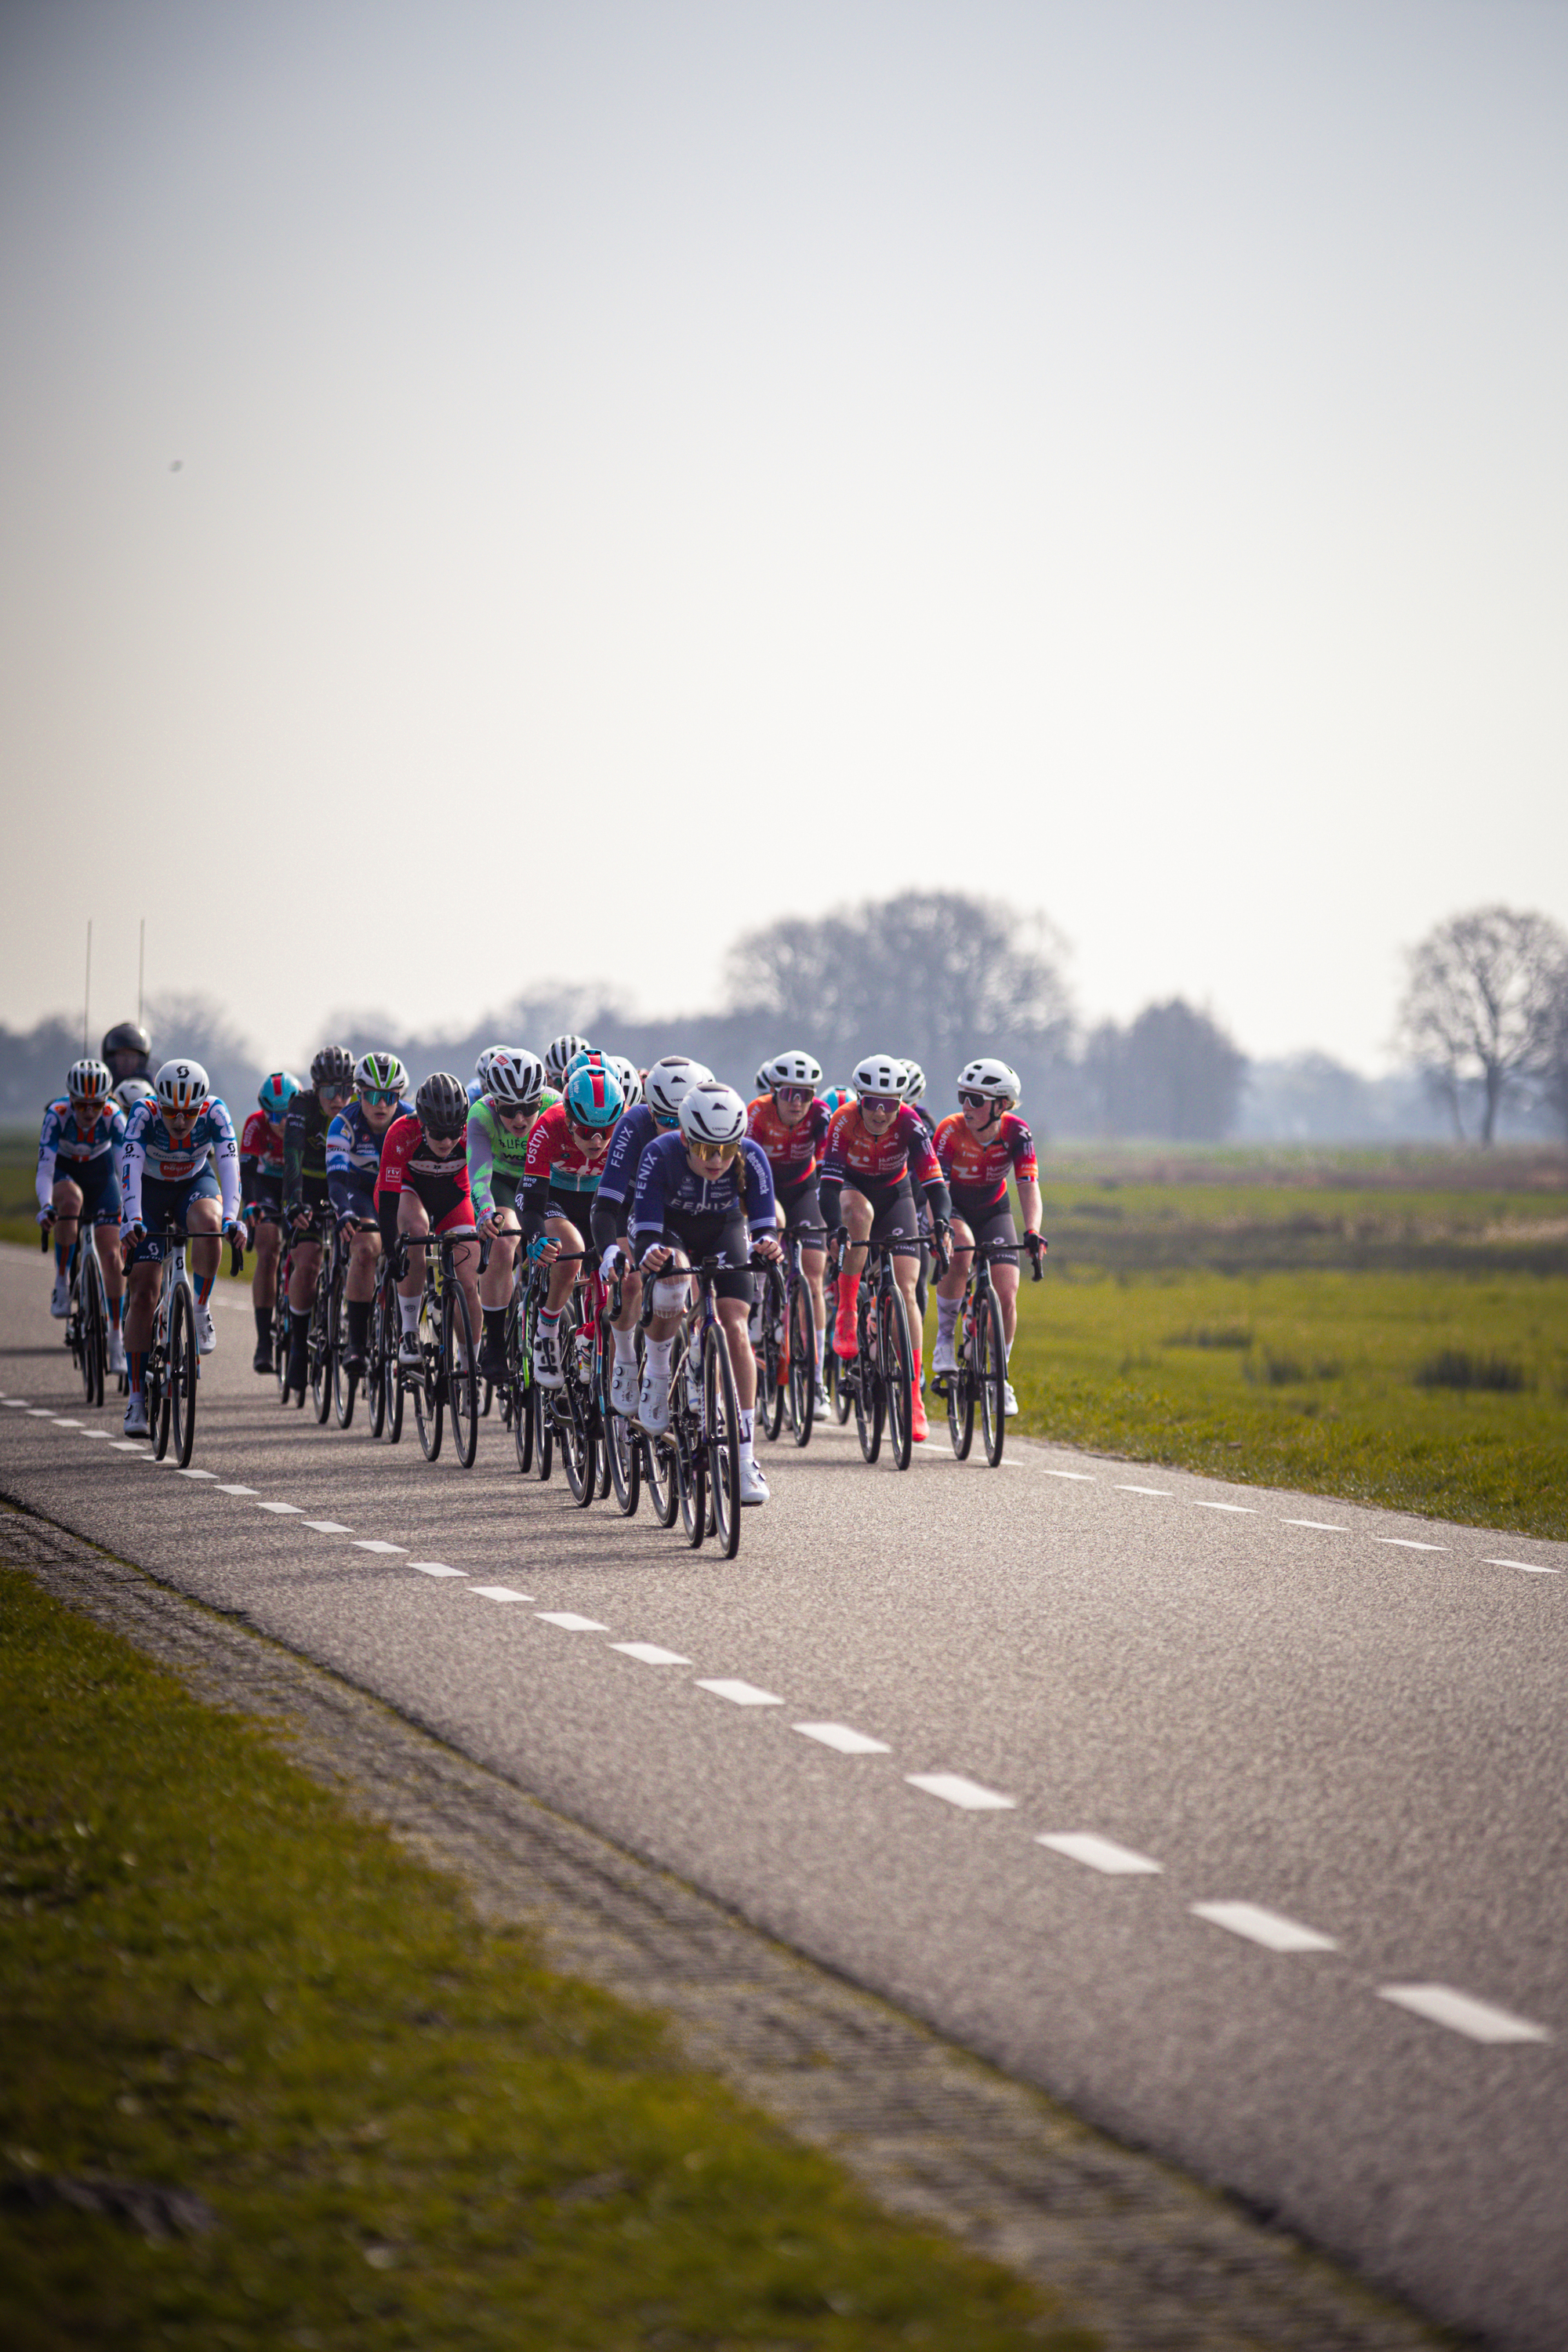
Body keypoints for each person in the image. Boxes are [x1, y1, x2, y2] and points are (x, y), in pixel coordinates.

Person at [629, 1082, 782, 1505]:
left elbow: (765, 1221)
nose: (716, 1161)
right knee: (675, 1276)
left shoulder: (750, 1156)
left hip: (723, 1228)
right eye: (704, 1150)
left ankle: (746, 1457)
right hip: (671, 1229)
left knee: (735, 1327)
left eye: (725, 1149)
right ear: (685, 1137)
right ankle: (658, 1376)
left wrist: (766, 1242)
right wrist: (651, 1254)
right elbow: (644, 1227)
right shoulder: (659, 1154)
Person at [818, 1053, 951, 1444]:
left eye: (889, 1103)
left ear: (900, 1102)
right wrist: (833, 1230)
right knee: (858, 1216)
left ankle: (912, 1396)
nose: (880, 1111)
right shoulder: (843, 1121)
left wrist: (940, 1222)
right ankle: (846, 1309)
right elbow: (827, 1187)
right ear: (860, 1099)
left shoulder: (910, 1123)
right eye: (872, 1102)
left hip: (897, 1195)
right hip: (853, 1191)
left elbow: (935, 1185)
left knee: (908, 1290)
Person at [118, 1058, 243, 1434]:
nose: (178, 1120)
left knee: (210, 1224)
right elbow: (128, 1169)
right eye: (171, 1110)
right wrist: (133, 1217)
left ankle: (201, 1307)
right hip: (149, 1192)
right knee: (142, 1292)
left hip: (193, 1183)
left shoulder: (216, 1113)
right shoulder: (143, 1114)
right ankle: (136, 1399)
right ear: (159, 1103)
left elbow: (230, 1168)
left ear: (201, 1105)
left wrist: (233, 1217)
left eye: (188, 1112)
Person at [590, 1054, 712, 1414]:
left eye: (683, 1121)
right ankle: (625, 1359)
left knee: (704, 1278)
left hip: (684, 1210)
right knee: (629, 1283)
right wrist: (610, 1250)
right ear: (649, 1110)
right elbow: (606, 1203)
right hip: (633, 1205)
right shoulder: (633, 1125)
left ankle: (696, 1358)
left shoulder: (712, 1129)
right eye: (665, 1119)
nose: (675, 1130)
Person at [932, 1059, 1044, 1419]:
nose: (966, 1105)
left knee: (1008, 1291)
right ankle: (945, 1341)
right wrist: (943, 1230)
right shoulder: (949, 1132)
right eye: (963, 1095)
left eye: (976, 1099)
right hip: (955, 1208)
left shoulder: (1017, 1133)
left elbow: (1028, 1186)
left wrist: (1032, 1232)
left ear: (1002, 1105)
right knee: (962, 1251)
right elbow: (939, 1191)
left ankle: (1000, 1376)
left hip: (994, 1210)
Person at [519, 1058, 624, 1388]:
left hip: (598, 1202)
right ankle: (547, 1329)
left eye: (605, 1131)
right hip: (554, 1199)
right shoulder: (547, 1126)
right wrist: (535, 1237)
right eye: (586, 1131)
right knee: (572, 1251)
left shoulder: (623, 1133)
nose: (596, 1141)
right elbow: (530, 1199)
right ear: (568, 1118)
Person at [373, 1073, 482, 1367]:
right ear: (421, 1123)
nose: (447, 1141)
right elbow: (388, 1200)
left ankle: (469, 1360)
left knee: (468, 1282)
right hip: (409, 1192)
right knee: (417, 1232)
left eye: (454, 1132)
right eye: (438, 1133)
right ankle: (409, 1331)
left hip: (454, 1195)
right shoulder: (400, 1134)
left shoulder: (473, 1131)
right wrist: (389, 1248)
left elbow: (485, 1184)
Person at [746, 1051, 833, 1408]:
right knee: (775, 1225)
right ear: (775, 1091)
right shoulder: (756, 1112)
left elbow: (829, 1165)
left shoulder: (821, 1116)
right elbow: (743, 1162)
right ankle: (760, 1299)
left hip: (801, 1188)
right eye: (789, 1094)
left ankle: (815, 1380)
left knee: (814, 1273)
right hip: (762, 1187)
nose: (797, 1103)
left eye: (806, 1094)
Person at [466, 1048, 554, 1380]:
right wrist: (485, 1212)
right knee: (504, 1242)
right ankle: (496, 1342)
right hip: (502, 1180)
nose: (520, 1119)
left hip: (544, 1180)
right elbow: (478, 1176)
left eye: (529, 1107)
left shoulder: (556, 1106)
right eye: (510, 1109)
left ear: (541, 1098)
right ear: (494, 1101)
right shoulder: (480, 1114)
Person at [36, 1058, 127, 1372]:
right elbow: (45, 1167)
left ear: (107, 1100)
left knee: (111, 1253)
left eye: (97, 1104)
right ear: (70, 1100)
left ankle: (116, 1337)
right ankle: (62, 1282)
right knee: (71, 1203)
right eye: (82, 1105)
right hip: (65, 1171)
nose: (89, 1113)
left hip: (101, 1175)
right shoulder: (57, 1116)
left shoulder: (115, 1117)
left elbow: (122, 1167)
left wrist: (131, 1206)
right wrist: (46, 1204)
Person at [327, 1053, 409, 1377]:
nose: (381, 1104)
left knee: (411, 1247)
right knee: (365, 1249)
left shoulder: (410, 1120)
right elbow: (335, 1179)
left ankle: (408, 1332)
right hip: (359, 1192)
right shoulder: (343, 1123)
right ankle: (357, 1344)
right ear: (358, 1094)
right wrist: (344, 1211)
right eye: (372, 1096)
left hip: (396, 1192)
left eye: (389, 1097)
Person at [281, 1045, 356, 1396]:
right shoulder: (302, 1106)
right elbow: (292, 1157)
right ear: (316, 1089)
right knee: (309, 1262)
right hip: (308, 1186)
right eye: (330, 1091)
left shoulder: (359, 1110)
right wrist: (293, 1204)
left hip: (345, 1183)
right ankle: (298, 1345)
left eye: (346, 1091)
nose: (338, 1099)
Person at [241, 1071, 299, 1371]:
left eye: (288, 1114)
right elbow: (247, 1172)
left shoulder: (306, 1122)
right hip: (264, 1186)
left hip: (295, 1187)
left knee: (305, 1247)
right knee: (268, 1246)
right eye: (274, 1116)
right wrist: (249, 1204)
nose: (282, 1123)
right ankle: (264, 1341)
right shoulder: (255, 1125)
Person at [100, 1021, 152, 1089]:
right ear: (113, 1057)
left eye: (133, 1056)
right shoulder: (103, 1082)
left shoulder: (147, 1082)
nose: (128, 1061)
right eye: (123, 1055)